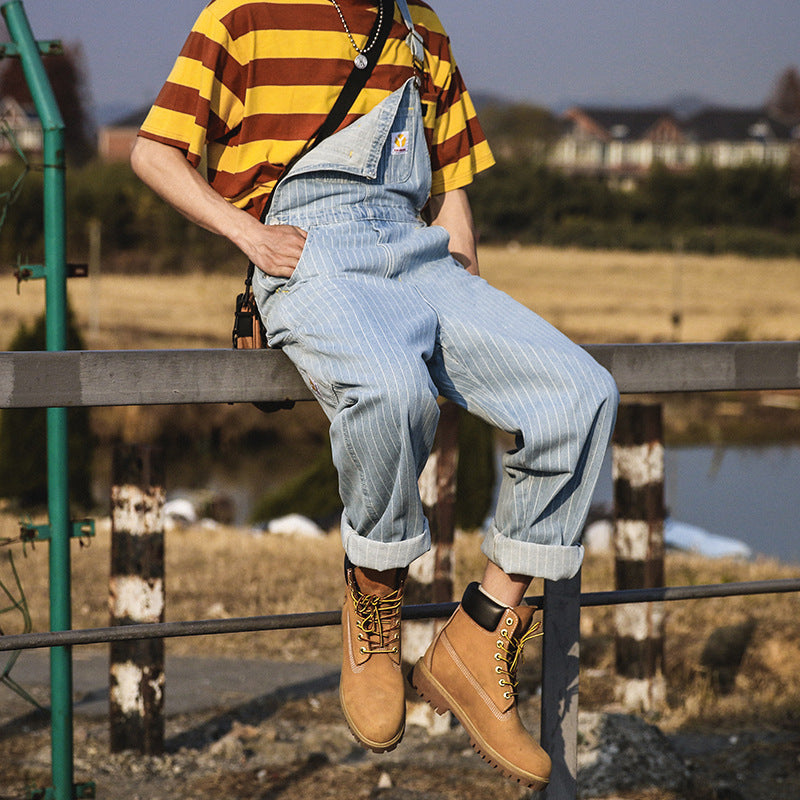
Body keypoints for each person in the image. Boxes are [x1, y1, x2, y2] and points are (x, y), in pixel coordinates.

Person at [131, 0, 618, 789]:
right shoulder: (243, 13)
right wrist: (249, 237)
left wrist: (470, 302)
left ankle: (479, 634)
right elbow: (153, 153)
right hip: (309, 247)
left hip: (418, 250)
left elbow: (451, 188)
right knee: (392, 392)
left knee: (581, 393)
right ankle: (374, 599)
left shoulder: (422, 25)